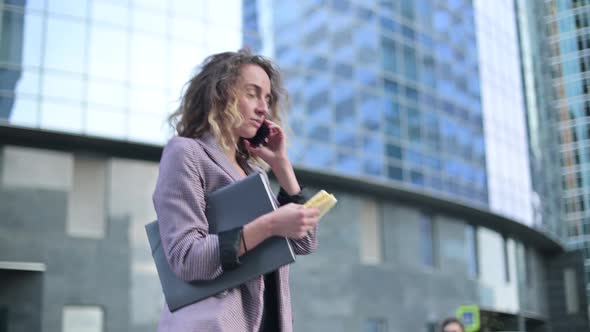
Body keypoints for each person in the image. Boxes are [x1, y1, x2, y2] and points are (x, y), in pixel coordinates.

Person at [152, 48, 320, 332]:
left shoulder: (254, 173)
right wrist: (268, 226)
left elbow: (304, 243)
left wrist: (281, 165)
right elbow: (187, 258)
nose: (262, 108)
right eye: (252, 94)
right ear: (221, 95)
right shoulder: (186, 153)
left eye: (267, 98)